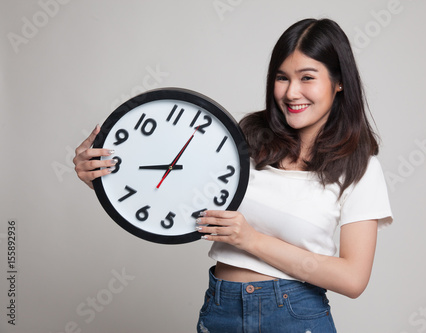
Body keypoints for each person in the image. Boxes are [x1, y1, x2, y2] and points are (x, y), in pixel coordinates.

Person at [74, 18, 393, 333]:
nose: (292, 92)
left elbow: (352, 279)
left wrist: (250, 239)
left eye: (307, 77)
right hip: (221, 309)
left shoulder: (359, 167)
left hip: (294, 316)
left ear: (339, 82)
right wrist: (103, 180)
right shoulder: (247, 142)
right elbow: (175, 194)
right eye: (282, 78)